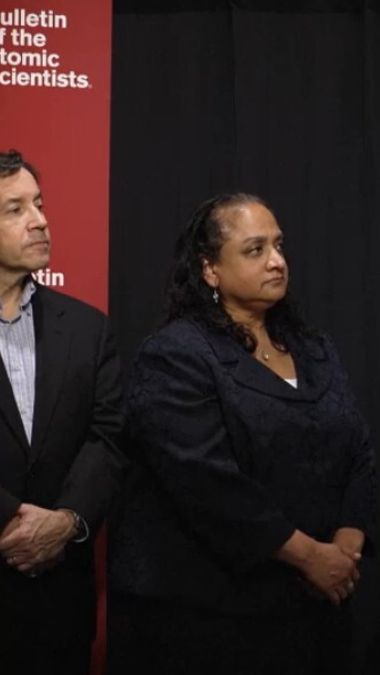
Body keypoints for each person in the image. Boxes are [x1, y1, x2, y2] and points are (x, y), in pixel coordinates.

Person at [107, 193, 376, 675]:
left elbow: (358, 449)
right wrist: (309, 557)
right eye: (255, 250)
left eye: (279, 245)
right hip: (206, 619)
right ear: (210, 270)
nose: (277, 261)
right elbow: (207, 485)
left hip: (316, 608)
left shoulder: (314, 349)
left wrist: (344, 550)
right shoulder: (175, 355)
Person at [0, 150, 125, 675]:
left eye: (40, 204)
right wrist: (12, 521)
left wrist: (68, 520)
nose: (40, 220)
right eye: (15, 209)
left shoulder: (88, 328)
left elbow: (110, 437)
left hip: (59, 607)